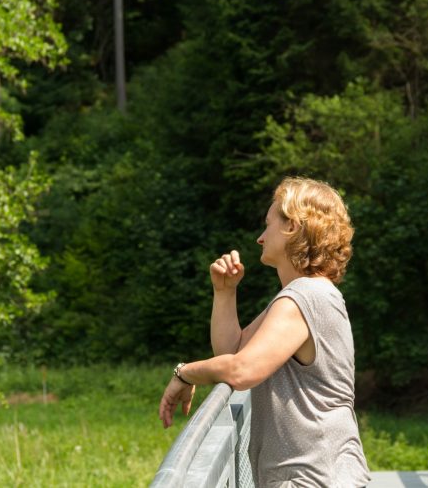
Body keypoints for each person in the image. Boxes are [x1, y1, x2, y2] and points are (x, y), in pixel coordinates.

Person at [158, 176, 371, 488]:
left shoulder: (305, 296)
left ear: (292, 227)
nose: (260, 238)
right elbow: (233, 350)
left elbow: (242, 370)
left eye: (268, 224)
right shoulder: (303, 295)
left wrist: (184, 373)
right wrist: (224, 292)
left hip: (313, 480)